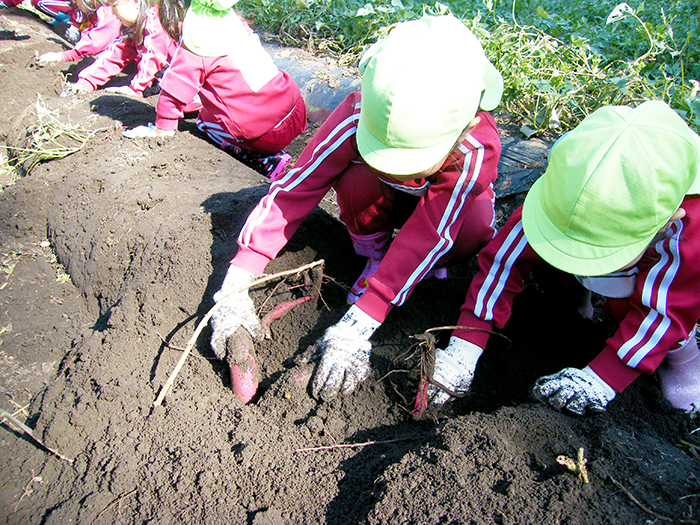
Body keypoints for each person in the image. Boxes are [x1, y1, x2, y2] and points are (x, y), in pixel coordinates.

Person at [208, 14, 504, 403]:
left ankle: (412, 275)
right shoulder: (356, 113)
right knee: (355, 179)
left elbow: (430, 232)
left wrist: (361, 321)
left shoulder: (475, 147)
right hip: (383, 197)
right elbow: (295, 188)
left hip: (444, 215)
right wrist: (237, 280)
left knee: (473, 227)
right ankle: (376, 258)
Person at [429, 100, 700, 415]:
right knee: (548, 255)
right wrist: (466, 343)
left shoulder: (688, 225)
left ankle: (683, 354)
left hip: (660, 270)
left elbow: (667, 312)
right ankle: (576, 308)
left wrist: (601, 380)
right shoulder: (568, 186)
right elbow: (506, 260)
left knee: (625, 307)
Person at [121, 0, 306, 179]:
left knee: (204, 121)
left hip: (267, 135)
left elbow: (173, 92)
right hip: (296, 110)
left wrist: (161, 130)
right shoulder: (236, 24)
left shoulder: (197, 43)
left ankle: (263, 160)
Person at [60, 0, 177, 98]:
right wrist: (86, 82)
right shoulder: (131, 29)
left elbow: (153, 56)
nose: (112, 12)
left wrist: (137, 89)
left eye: (115, 5)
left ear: (135, 2)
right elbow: (114, 56)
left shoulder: (154, 21)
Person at [38, 0, 122, 64]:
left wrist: (63, 56)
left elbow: (95, 44)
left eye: (76, 2)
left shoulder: (108, 13)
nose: (75, 3)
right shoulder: (95, 12)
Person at [1, 0, 79, 41]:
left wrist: (5, 3)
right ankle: (62, 19)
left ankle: (71, 19)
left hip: (81, 6)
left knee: (39, 2)